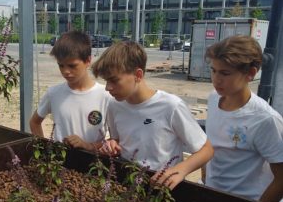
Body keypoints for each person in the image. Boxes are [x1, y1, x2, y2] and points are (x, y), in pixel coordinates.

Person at [91, 41, 213, 189]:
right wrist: (111, 145)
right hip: (126, 184)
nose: (107, 87)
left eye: (114, 80)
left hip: (163, 186)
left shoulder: (171, 106)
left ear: (138, 75)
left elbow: (206, 149)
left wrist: (180, 170)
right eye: (106, 81)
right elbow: (118, 139)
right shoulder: (114, 105)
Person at [204, 35, 283, 202]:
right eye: (213, 70)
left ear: (250, 73)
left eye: (225, 73)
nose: (216, 79)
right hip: (212, 195)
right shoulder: (213, 99)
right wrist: (205, 179)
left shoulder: (265, 120)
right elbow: (210, 145)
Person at [29, 31, 111, 151]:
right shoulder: (53, 93)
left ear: (88, 61)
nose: (66, 71)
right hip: (60, 165)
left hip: (94, 166)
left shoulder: (106, 96)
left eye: (72, 66)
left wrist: (88, 146)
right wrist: (44, 151)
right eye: (61, 65)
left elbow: (116, 139)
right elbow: (34, 122)